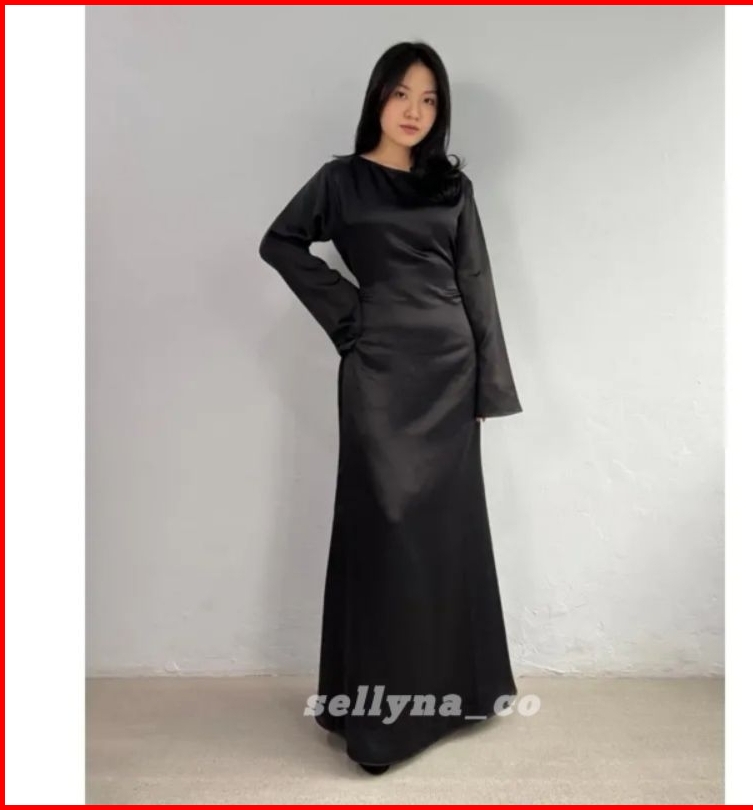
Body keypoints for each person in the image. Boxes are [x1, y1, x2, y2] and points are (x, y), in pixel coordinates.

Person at [258, 41, 522, 775]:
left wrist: (489, 386)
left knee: (447, 533)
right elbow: (280, 243)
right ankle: (378, 717)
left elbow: (476, 282)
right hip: (378, 372)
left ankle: (458, 697)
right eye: (402, 93)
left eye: (429, 99)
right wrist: (351, 316)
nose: (414, 110)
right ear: (378, 97)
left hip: (449, 373)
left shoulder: (451, 187)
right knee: (385, 528)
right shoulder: (340, 182)